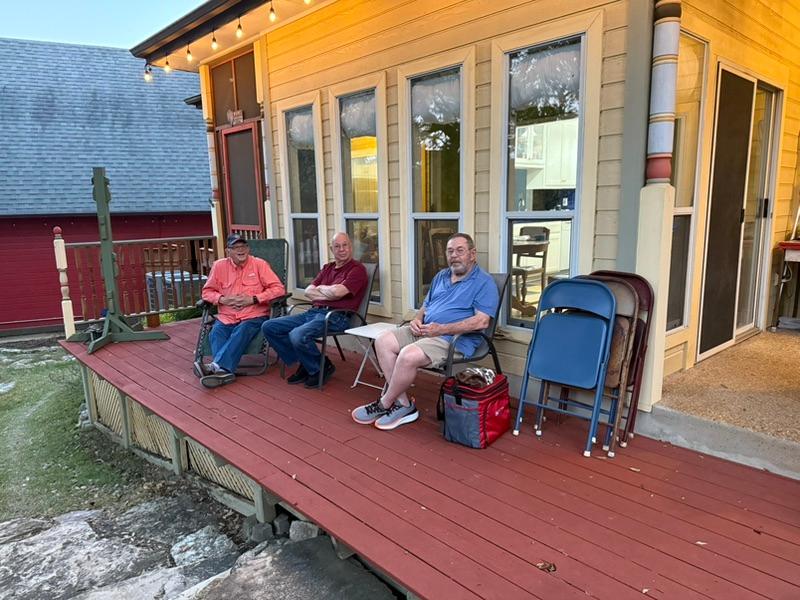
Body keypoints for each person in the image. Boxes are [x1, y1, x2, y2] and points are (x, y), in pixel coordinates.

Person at [351, 233, 498, 430]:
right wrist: (417, 320)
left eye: (460, 251)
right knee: (382, 341)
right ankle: (404, 405)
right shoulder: (441, 276)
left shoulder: (484, 282)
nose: (454, 255)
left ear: (472, 254)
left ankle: (384, 403)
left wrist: (442, 329)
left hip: (452, 339)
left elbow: (481, 321)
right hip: (425, 330)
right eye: (450, 251)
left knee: (407, 355)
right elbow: (426, 307)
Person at [262, 232, 368, 389]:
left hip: (336, 316)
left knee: (297, 334)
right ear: (331, 249)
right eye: (337, 246)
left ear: (350, 247)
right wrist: (329, 291)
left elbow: (338, 293)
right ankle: (307, 363)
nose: (342, 249)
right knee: (269, 327)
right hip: (313, 312)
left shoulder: (357, 269)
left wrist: (322, 289)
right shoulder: (327, 268)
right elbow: (308, 291)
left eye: (345, 245)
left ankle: (318, 368)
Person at [199, 234, 286, 388]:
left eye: (244, 246)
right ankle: (224, 372)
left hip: (254, 315)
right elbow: (207, 292)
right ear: (228, 251)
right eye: (236, 247)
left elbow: (278, 289)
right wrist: (222, 299)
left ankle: (217, 366)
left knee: (242, 330)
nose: (241, 250)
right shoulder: (219, 266)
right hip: (227, 316)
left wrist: (254, 299)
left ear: (248, 248)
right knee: (216, 332)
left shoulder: (259, 264)